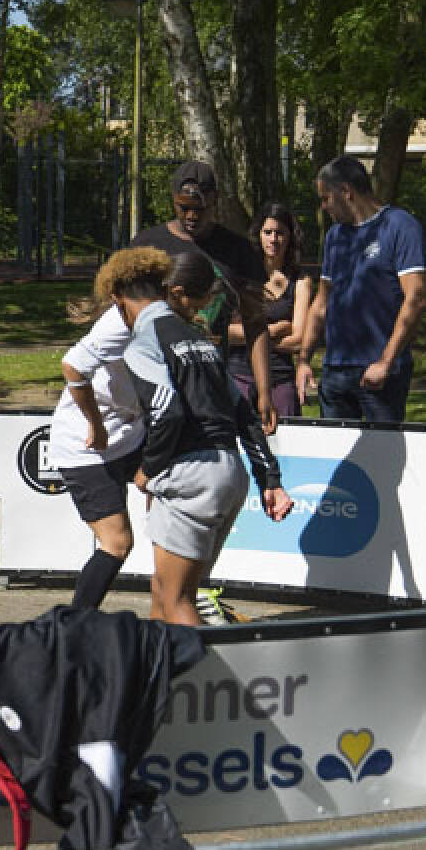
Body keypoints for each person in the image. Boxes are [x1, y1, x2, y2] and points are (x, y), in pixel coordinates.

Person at [102, 248, 292, 626]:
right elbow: (244, 413)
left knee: (176, 601)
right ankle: (162, 666)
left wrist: (147, 469)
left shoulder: (144, 343)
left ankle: (210, 667)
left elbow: (168, 412)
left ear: (119, 299)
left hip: (190, 475)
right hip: (229, 473)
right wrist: (269, 478)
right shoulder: (200, 340)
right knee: (165, 594)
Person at [296, 155, 426, 423]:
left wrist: (386, 362)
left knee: (383, 449)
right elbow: (322, 303)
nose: (323, 206)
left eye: (326, 198)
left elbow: (416, 298)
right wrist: (303, 360)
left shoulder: (400, 226)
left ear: (346, 191)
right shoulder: (335, 236)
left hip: (379, 371)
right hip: (335, 371)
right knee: (335, 448)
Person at [131, 161, 264, 399]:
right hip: (157, 377)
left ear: (215, 200)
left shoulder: (238, 250)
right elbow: (122, 312)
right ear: (173, 198)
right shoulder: (146, 246)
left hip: (210, 381)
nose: (192, 216)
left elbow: (256, 323)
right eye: (184, 208)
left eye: (201, 208)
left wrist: (264, 393)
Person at [48, 291, 143, 610]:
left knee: (180, 493)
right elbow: (73, 366)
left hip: (131, 434)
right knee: (117, 542)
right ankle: (76, 621)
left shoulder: (157, 319)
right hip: (87, 447)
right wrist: (96, 424)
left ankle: (180, 599)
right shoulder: (118, 324)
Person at [251, 204, 313, 432]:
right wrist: (276, 330)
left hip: (280, 377)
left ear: (290, 237)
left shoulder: (301, 282)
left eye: (280, 233)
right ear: (258, 235)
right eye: (267, 232)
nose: (273, 239)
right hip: (242, 374)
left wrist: (252, 339)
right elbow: (227, 332)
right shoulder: (243, 276)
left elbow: (298, 340)